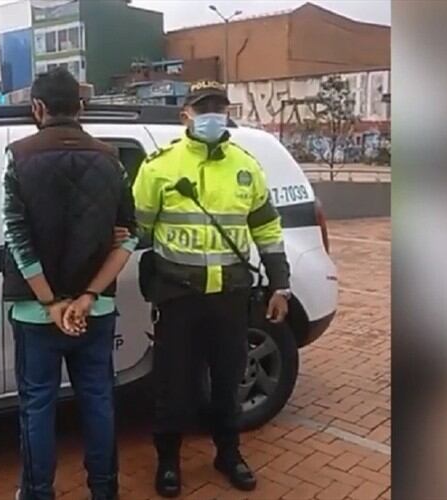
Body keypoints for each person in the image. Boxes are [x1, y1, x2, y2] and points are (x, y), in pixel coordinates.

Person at [132, 80, 292, 497]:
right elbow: (139, 229)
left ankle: (228, 452)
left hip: (232, 296)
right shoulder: (158, 166)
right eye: (203, 107)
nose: (212, 115)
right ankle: (168, 460)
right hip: (178, 295)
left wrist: (281, 284)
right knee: (173, 386)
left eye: (218, 107)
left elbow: (267, 229)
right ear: (185, 113)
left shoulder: (245, 165)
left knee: (227, 381)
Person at [3, 68, 137, 500]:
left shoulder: (19, 155)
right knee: (98, 402)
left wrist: (52, 304)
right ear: (81, 107)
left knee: (37, 407)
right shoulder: (111, 158)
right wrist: (87, 297)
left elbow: (17, 238)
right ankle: (105, 491)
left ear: (36, 108)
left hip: (37, 314)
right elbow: (129, 236)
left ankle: (38, 492)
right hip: (94, 311)